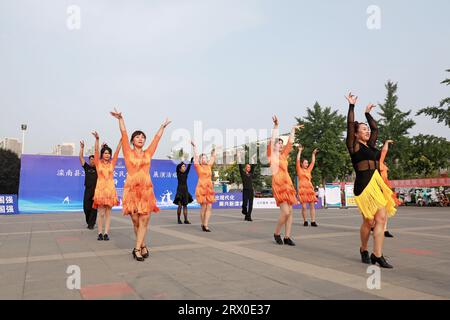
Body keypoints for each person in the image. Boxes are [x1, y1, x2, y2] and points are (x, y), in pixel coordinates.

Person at [110, 108, 171, 261]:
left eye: (143, 137)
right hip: (131, 191)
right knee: (136, 221)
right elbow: (123, 134)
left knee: (144, 220)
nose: (141, 138)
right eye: (137, 137)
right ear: (132, 140)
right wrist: (120, 119)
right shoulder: (127, 152)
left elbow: (156, 140)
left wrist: (162, 127)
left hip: (146, 191)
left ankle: (136, 249)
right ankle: (143, 245)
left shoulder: (148, 153)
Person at [345, 92, 396, 268]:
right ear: (356, 134)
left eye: (366, 129)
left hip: (376, 186)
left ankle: (377, 255)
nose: (367, 131)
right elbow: (350, 125)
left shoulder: (371, 145)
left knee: (381, 219)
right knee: (369, 221)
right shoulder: (354, 146)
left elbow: (376, 129)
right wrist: (352, 106)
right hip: (363, 187)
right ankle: (364, 248)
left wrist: (367, 113)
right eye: (363, 129)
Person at [269, 115, 302, 246]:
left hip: (288, 184)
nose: (281, 145)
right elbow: (272, 140)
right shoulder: (271, 155)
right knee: (285, 212)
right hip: (278, 185)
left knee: (290, 212)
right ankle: (277, 233)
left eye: (281, 143)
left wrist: (293, 129)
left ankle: (287, 237)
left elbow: (290, 142)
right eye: (279, 143)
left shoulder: (283, 155)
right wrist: (276, 126)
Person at [91, 131, 122, 241]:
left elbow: (118, 151)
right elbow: (95, 150)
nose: (107, 155)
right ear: (102, 154)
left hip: (110, 191)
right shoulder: (98, 163)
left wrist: (121, 140)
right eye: (105, 153)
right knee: (101, 213)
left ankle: (106, 233)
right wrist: (97, 139)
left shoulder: (112, 163)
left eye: (109, 153)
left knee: (108, 213)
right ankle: (99, 232)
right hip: (100, 191)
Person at [191, 141, 216, 232]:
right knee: (204, 206)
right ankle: (202, 223)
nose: (204, 159)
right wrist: (194, 147)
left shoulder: (209, 166)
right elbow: (196, 157)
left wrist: (215, 148)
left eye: (205, 157)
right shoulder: (198, 167)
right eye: (202, 158)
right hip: (201, 187)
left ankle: (205, 224)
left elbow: (213, 156)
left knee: (209, 206)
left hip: (209, 187)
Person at [379, 140, 401, 238]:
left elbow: (384, 152)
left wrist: (386, 143)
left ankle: (385, 229)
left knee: (386, 208)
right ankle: (373, 226)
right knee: (375, 210)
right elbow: (383, 152)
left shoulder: (380, 162)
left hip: (385, 188)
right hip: (376, 188)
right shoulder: (373, 164)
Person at [296, 146, 319, 227]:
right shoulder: (299, 169)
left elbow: (313, 162)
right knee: (304, 207)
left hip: (309, 188)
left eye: (307, 163)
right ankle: (305, 221)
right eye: (305, 163)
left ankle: (313, 221)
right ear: (302, 164)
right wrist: (300, 151)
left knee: (312, 205)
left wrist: (313, 154)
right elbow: (297, 160)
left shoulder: (309, 170)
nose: (307, 164)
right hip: (302, 189)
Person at [79, 141, 98, 230]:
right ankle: (88, 221)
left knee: (94, 208)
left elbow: (100, 156)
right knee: (86, 208)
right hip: (88, 190)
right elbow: (81, 158)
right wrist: (82, 148)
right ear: (89, 160)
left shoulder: (98, 168)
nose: (92, 160)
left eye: (94, 159)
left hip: (96, 190)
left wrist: (101, 147)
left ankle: (91, 224)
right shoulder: (86, 167)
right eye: (91, 159)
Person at [173, 157, 194, 224]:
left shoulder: (186, 173)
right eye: (183, 166)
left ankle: (186, 220)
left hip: (185, 191)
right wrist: (181, 161)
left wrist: (191, 161)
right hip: (179, 190)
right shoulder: (178, 173)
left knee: (185, 205)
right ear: (180, 168)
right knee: (180, 205)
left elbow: (189, 167)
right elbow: (177, 167)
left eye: (185, 166)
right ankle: (179, 219)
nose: (184, 167)